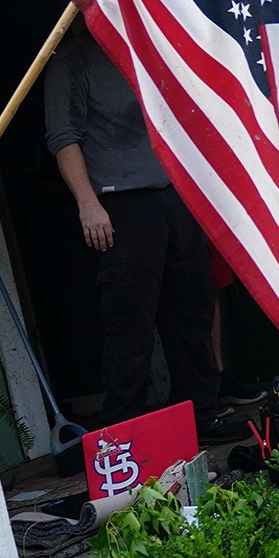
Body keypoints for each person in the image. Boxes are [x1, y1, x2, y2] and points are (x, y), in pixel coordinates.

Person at [44, 25, 246, 443]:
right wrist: (88, 203)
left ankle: (200, 414)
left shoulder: (149, 45)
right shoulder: (73, 59)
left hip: (177, 192)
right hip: (121, 203)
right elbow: (63, 137)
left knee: (193, 310)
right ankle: (125, 433)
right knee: (130, 321)